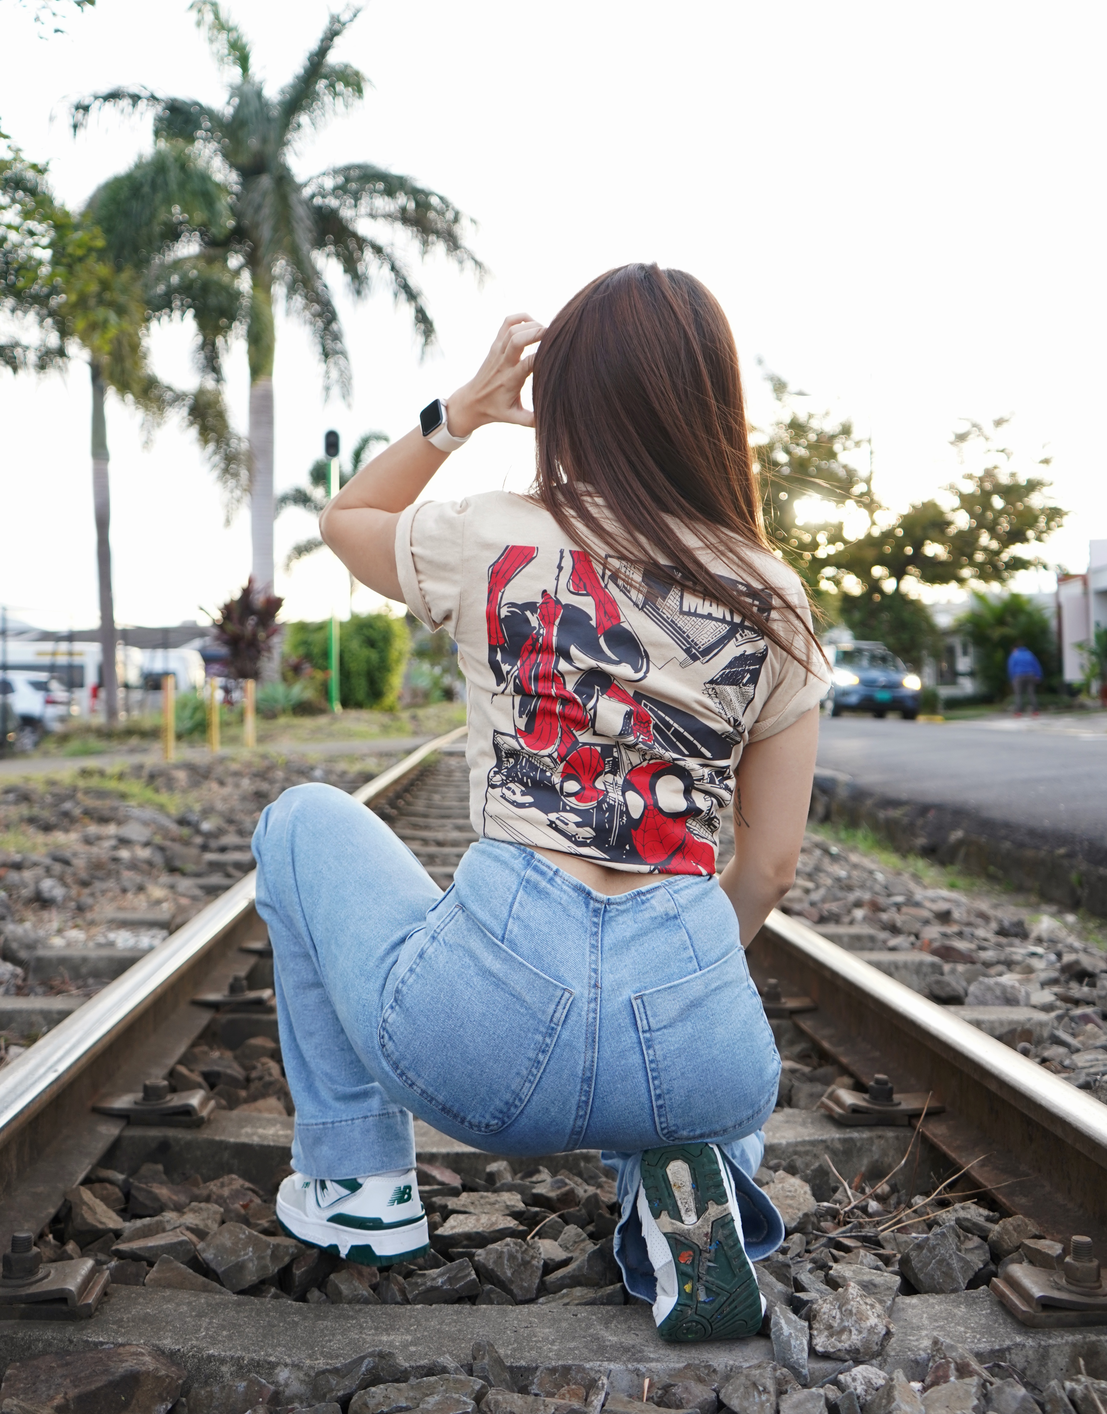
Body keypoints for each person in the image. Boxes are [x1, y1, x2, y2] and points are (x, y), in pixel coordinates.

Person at [252, 265, 830, 1343]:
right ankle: (681, 1186)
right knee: (695, 1056)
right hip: (696, 1046)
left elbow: (348, 515)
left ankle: (359, 1185)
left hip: (481, 1040)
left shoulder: (489, 537)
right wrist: (672, 979)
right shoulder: (772, 594)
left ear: (564, 399)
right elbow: (771, 865)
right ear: (715, 403)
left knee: (299, 823)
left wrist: (457, 413)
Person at [1006, 642, 1042, 716]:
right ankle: (1035, 711)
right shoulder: (1030, 654)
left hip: (1018, 676)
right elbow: (1036, 665)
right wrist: (1038, 676)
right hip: (1030, 675)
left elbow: (1011, 667)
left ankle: (1018, 712)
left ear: (1015, 649)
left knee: (1018, 694)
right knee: (1031, 693)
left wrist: (1011, 678)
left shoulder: (1014, 655)